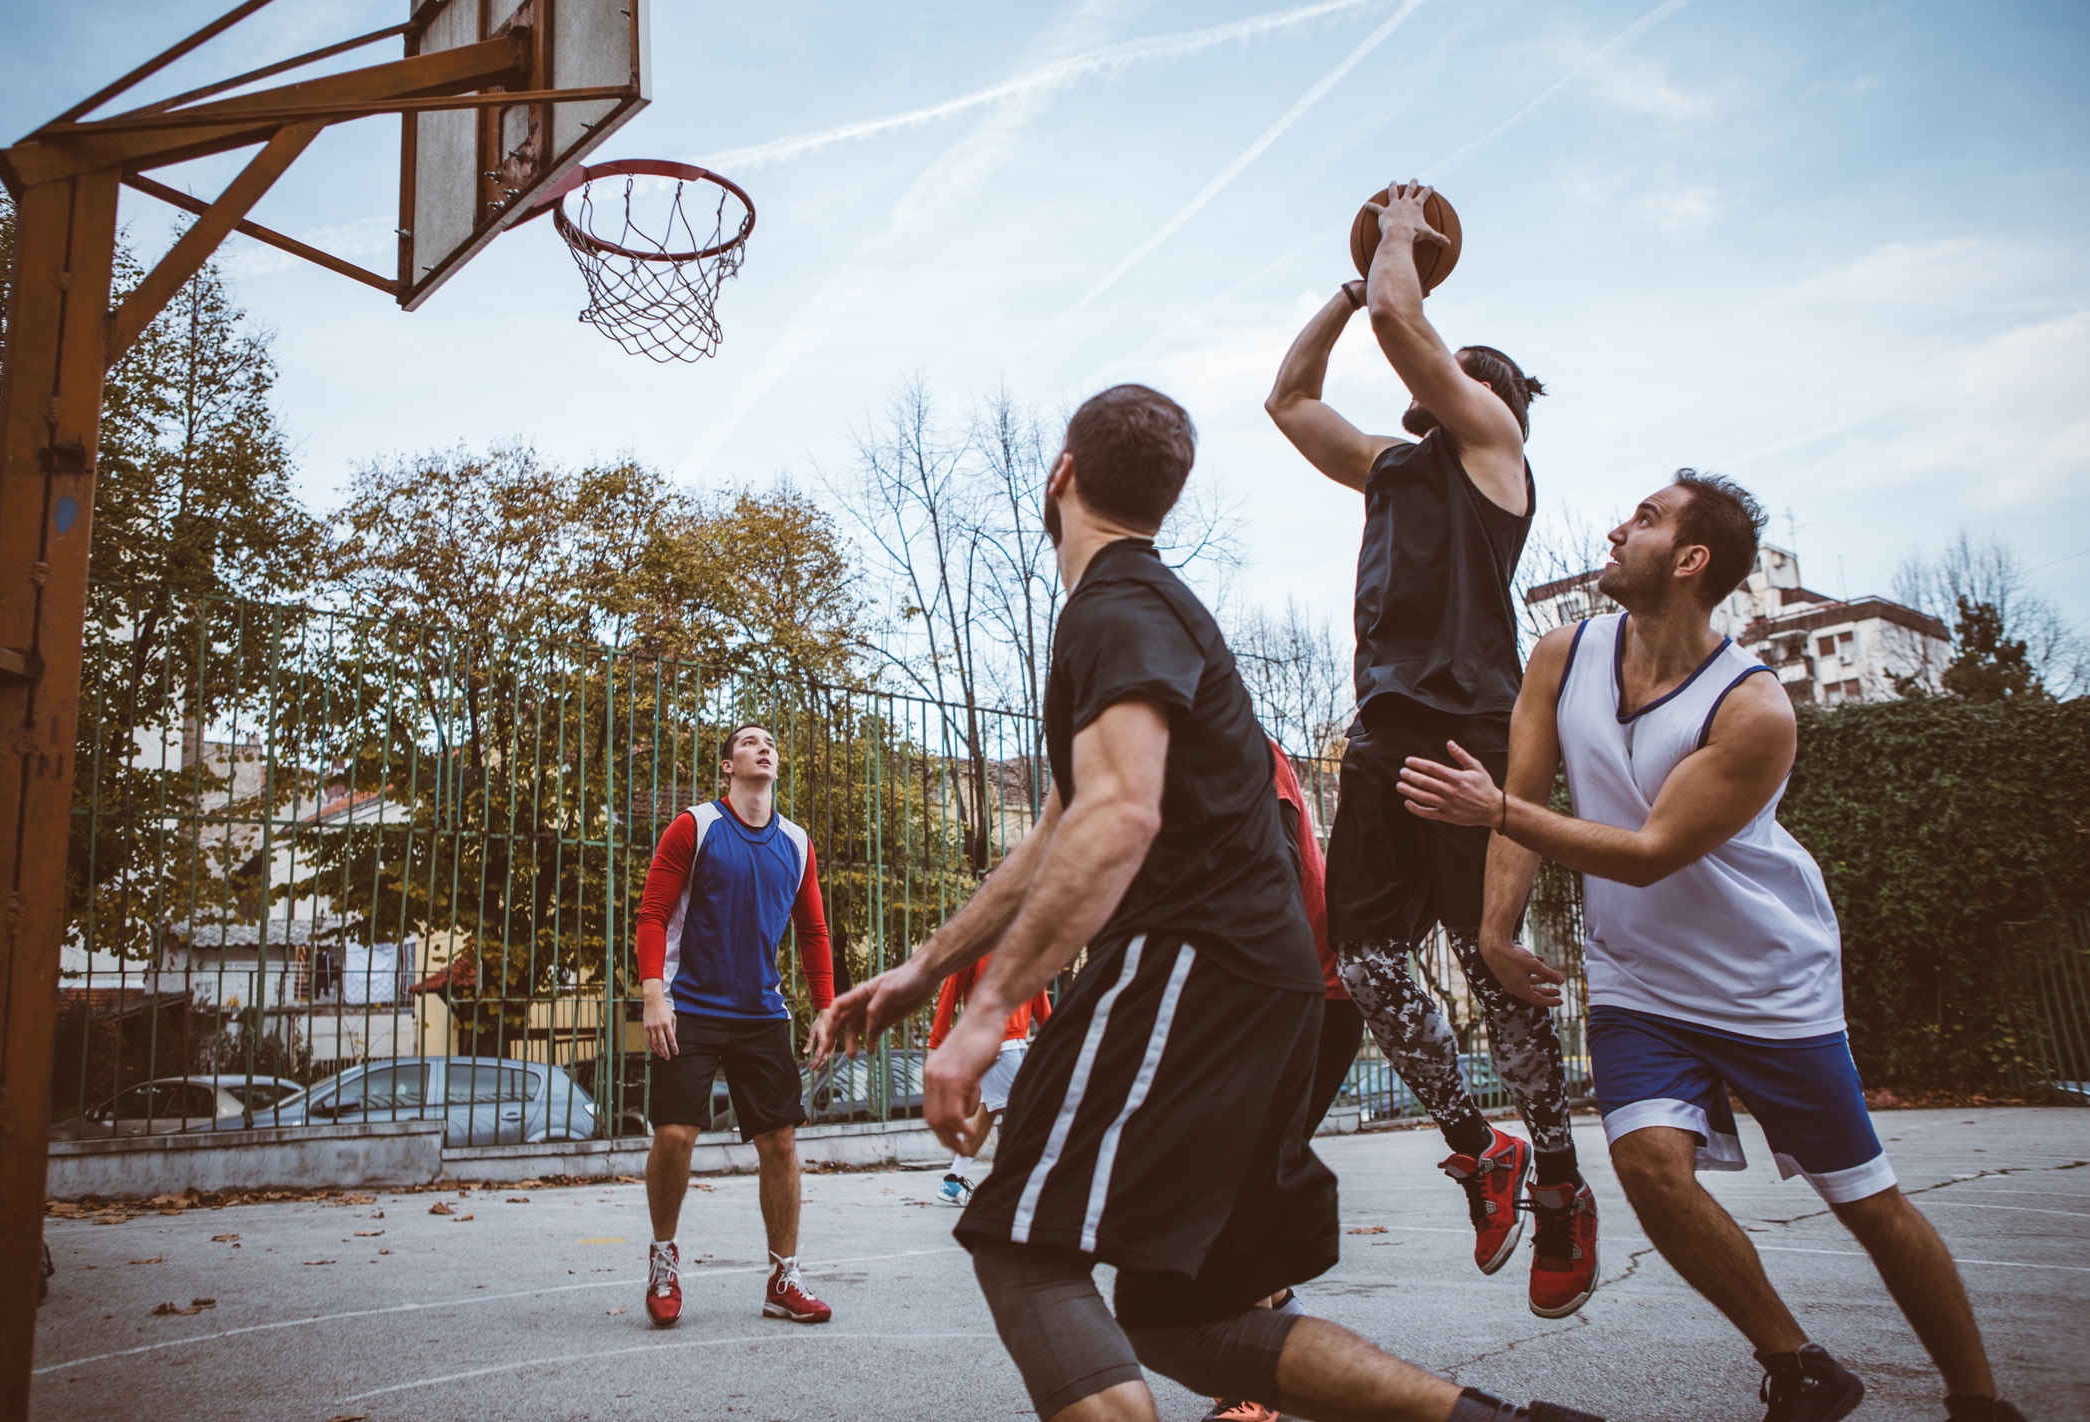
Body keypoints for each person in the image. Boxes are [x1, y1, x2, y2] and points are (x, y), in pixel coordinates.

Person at [811, 383, 1600, 1422]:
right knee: (1188, 1319)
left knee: (1020, 1246)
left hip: (1192, 961)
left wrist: (984, 1016)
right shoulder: (1142, 609)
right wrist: (924, 970)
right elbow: (1061, 823)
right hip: (1260, 982)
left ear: (1060, 478)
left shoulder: (1117, 606)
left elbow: (1118, 821)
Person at [1396, 471, 2026, 1422]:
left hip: (1764, 981)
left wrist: (1501, 809)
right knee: (1650, 1168)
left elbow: (1648, 853)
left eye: (1644, 519)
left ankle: (1979, 1400)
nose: (1616, 527)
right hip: (1637, 978)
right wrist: (1493, 932)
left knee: (1867, 1205)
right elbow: (1519, 810)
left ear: (1690, 561)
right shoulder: (1561, 657)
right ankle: (1798, 1365)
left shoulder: (1751, 710)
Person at [1264, 181, 1595, 1318]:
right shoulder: (1390, 471)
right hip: (1381, 734)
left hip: (1469, 734)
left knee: (1489, 959)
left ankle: (1557, 1181)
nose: (1446, 375)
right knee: (1363, 964)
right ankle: (1480, 1149)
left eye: (1465, 367)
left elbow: (1409, 332)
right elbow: (1288, 399)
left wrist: (1399, 244)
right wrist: (1348, 287)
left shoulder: (1495, 450)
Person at [634, 723, 835, 1328]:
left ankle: (783, 1277)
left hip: (760, 1014)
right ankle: (664, 1259)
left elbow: (813, 932)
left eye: (771, 741)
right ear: (728, 766)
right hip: (689, 1006)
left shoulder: (796, 842)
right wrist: (652, 995)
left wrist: (826, 1007)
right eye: (749, 741)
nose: (764, 746)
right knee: (674, 1136)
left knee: (780, 1142)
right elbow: (653, 914)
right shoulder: (695, 827)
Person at [1195, 740, 1365, 1422]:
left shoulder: (1233, 746)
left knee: (1230, 1182)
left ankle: (1252, 1382)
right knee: (1235, 1179)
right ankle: (1278, 1328)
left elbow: (1276, 867)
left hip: (1302, 1000)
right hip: (1294, 996)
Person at [930, 956, 1052, 1204]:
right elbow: (950, 990)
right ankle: (1016, 1186)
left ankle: (953, 1180)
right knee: (1028, 1107)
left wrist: (1055, 1033)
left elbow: (1037, 992)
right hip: (992, 1042)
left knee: (991, 1108)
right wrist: (936, 1042)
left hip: (1014, 1041)